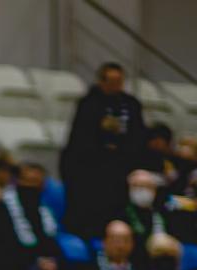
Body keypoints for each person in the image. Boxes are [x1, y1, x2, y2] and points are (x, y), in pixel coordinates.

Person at [61, 62, 146, 237]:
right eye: (111, 81)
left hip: (120, 170)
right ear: (101, 81)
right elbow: (79, 139)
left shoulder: (131, 105)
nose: (115, 86)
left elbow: (138, 137)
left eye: (119, 81)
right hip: (91, 171)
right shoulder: (88, 104)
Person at [0, 161, 63, 270]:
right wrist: (35, 262)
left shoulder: (43, 210)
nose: (32, 187)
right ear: (17, 181)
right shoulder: (0, 208)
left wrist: (52, 261)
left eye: (37, 182)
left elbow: (51, 242)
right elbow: (2, 246)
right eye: (28, 181)